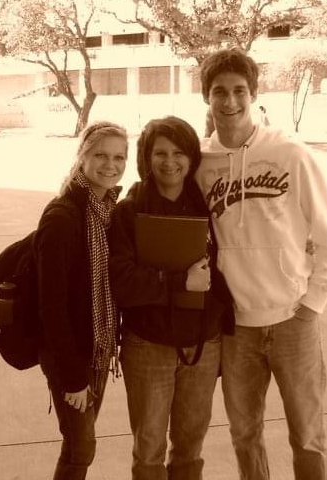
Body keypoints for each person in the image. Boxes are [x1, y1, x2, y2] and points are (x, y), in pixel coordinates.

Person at [195, 48, 327, 480]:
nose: (229, 102)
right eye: (219, 92)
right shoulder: (202, 165)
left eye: (239, 91)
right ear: (207, 97)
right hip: (237, 327)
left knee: (307, 434)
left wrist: (313, 303)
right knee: (245, 434)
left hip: (292, 320)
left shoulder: (290, 154)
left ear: (254, 94)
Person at [108, 115, 234, 480]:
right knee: (148, 449)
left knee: (190, 446)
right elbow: (122, 282)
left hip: (203, 345)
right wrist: (179, 283)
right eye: (159, 153)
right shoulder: (129, 211)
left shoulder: (210, 208)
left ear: (192, 157)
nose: (169, 161)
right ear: (145, 157)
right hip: (149, 346)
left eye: (179, 152)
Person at [34, 121, 128, 480]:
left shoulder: (105, 212)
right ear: (83, 157)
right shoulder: (63, 217)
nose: (111, 165)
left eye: (119, 157)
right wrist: (73, 378)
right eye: (101, 155)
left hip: (98, 349)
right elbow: (51, 308)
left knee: (78, 445)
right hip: (68, 354)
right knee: (81, 446)